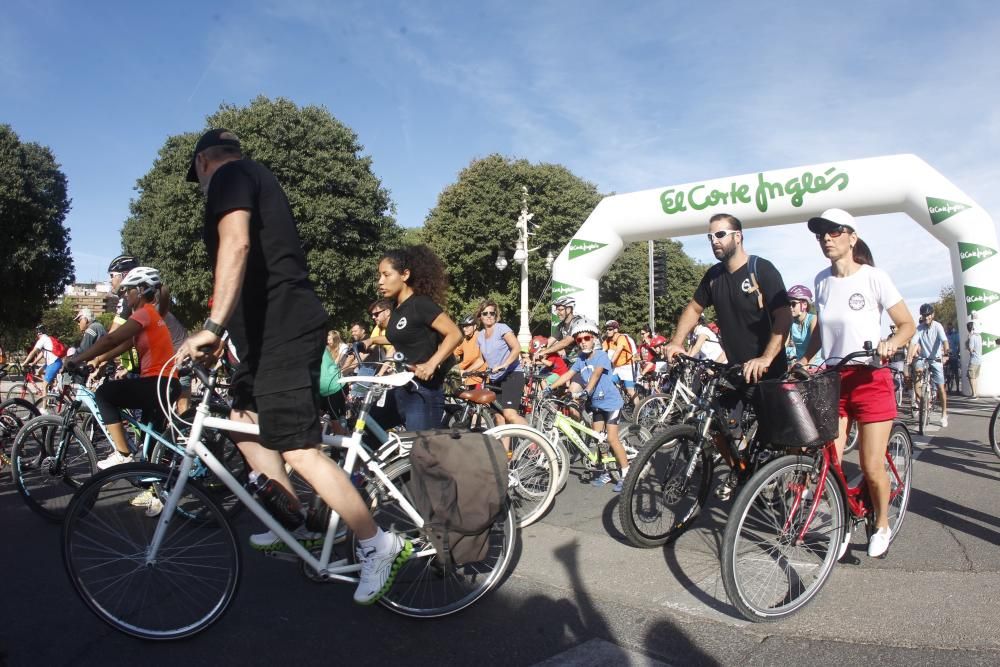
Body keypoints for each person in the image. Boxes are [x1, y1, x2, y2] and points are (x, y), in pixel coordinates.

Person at [179, 128, 408, 605]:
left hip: (284, 331)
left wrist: (213, 324)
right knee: (240, 419)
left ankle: (377, 543)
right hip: (263, 339)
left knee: (300, 448)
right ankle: (296, 520)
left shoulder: (230, 176)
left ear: (203, 163)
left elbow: (236, 244)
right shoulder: (252, 175)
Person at [802, 208, 915, 558]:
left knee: (870, 465)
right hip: (834, 379)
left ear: (852, 237)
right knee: (829, 462)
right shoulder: (821, 280)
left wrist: (891, 343)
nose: (826, 239)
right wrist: (804, 358)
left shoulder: (874, 278)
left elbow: (906, 324)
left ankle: (881, 521)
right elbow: (821, 329)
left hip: (869, 377)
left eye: (834, 232)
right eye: (821, 234)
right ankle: (845, 521)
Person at [663, 213, 791, 500]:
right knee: (716, 423)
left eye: (720, 234)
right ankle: (741, 470)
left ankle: (777, 486)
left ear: (738, 235)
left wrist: (766, 358)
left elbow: (784, 315)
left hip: (768, 371)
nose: (714, 241)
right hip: (734, 369)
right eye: (710, 237)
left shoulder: (761, 269)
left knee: (776, 439)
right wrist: (676, 342)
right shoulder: (713, 277)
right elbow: (694, 309)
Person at [65, 267, 181, 472]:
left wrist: (77, 359)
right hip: (163, 384)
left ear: (141, 290)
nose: (126, 295)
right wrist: (98, 360)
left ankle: (123, 453)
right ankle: (156, 492)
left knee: (104, 394)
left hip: (158, 383)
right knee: (149, 446)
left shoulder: (144, 314)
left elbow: (111, 338)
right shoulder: (151, 314)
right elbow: (125, 344)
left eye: (129, 291)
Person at [362, 245, 462, 430]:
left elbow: (455, 334)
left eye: (386, 275)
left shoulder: (420, 304)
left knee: (421, 454)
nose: (380, 281)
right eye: (379, 276)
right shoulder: (397, 309)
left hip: (423, 392)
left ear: (405, 275)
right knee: (366, 428)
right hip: (401, 387)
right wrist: (372, 340)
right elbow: (405, 337)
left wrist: (431, 364)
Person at [548, 319, 631, 492]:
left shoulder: (601, 355)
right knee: (598, 437)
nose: (583, 342)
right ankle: (607, 470)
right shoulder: (580, 359)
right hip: (596, 404)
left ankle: (626, 473)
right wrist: (550, 387)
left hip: (611, 403)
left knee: (612, 439)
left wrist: (586, 390)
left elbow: (595, 374)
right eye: (579, 340)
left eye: (586, 338)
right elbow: (568, 374)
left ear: (594, 338)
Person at [475, 299, 528, 427]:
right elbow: (481, 359)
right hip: (495, 379)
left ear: (496, 315)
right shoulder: (480, 336)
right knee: (499, 418)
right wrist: (464, 371)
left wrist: (504, 364)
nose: (488, 316)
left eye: (491, 313)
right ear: (480, 316)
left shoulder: (502, 328)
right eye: (485, 313)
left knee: (510, 415)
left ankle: (536, 443)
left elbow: (516, 348)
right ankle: (505, 448)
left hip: (512, 375)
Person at [907, 303, 950, 427]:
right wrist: (909, 356)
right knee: (917, 385)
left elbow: (945, 341)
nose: (926, 317)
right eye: (924, 315)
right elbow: (912, 343)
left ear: (932, 315)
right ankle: (926, 403)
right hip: (922, 359)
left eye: (928, 315)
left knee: (941, 388)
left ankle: (944, 413)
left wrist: (946, 352)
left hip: (935, 359)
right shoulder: (919, 328)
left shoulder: (938, 327)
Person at [106, 254, 142, 377]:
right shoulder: (133, 298)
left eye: (112, 275)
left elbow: (112, 335)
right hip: (136, 368)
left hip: (143, 370)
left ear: (125, 275)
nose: (110, 280)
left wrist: (94, 359)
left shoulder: (128, 299)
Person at [602, 320, 639, 403]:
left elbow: (618, 351)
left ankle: (640, 411)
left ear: (616, 330)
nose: (607, 331)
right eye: (606, 329)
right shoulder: (608, 340)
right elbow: (601, 351)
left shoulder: (621, 338)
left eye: (610, 329)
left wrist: (609, 363)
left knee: (630, 390)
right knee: (607, 382)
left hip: (627, 367)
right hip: (616, 367)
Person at [23, 325, 64, 396]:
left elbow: (33, 352)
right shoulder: (47, 339)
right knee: (39, 371)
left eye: (37, 333)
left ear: (39, 333)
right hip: (53, 362)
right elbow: (41, 354)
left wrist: (24, 363)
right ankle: (53, 386)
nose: (37, 335)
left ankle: (44, 407)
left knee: (44, 386)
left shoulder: (42, 339)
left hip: (53, 363)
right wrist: (33, 363)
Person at [785, 284, 821, 364]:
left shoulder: (813, 319)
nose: (790, 307)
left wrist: (806, 365)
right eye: (788, 304)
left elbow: (815, 345)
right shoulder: (791, 323)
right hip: (800, 365)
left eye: (793, 304)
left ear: (804, 305)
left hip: (816, 366)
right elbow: (783, 344)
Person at [72, 308, 107, 386]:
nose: (78, 323)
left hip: (102, 367)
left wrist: (71, 362)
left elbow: (83, 349)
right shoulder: (97, 326)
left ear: (85, 319)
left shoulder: (92, 328)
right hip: (100, 365)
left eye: (79, 320)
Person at [454, 314, 487, 387]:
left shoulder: (480, 337)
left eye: (467, 326)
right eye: (463, 326)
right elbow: (455, 353)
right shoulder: (466, 340)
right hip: (468, 378)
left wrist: (463, 370)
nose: (464, 329)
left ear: (475, 326)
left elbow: (480, 360)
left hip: (478, 379)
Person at [966, 321, 982, 399]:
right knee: (975, 377)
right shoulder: (979, 336)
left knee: (971, 377)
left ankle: (974, 394)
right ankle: (976, 393)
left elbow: (971, 349)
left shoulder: (972, 337)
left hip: (973, 360)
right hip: (979, 360)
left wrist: (968, 342)